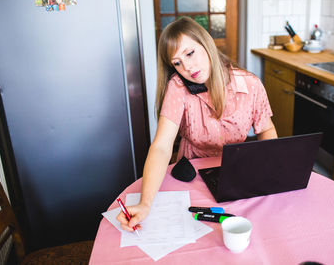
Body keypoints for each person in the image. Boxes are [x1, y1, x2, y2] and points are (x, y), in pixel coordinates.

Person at [117, 17, 277, 232]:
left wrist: (270, 166)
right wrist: (145, 203)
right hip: (191, 176)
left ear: (206, 43)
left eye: (190, 53)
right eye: (177, 63)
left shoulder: (250, 84)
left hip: (237, 172)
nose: (187, 67)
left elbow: (266, 128)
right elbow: (162, 146)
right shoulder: (177, 87)